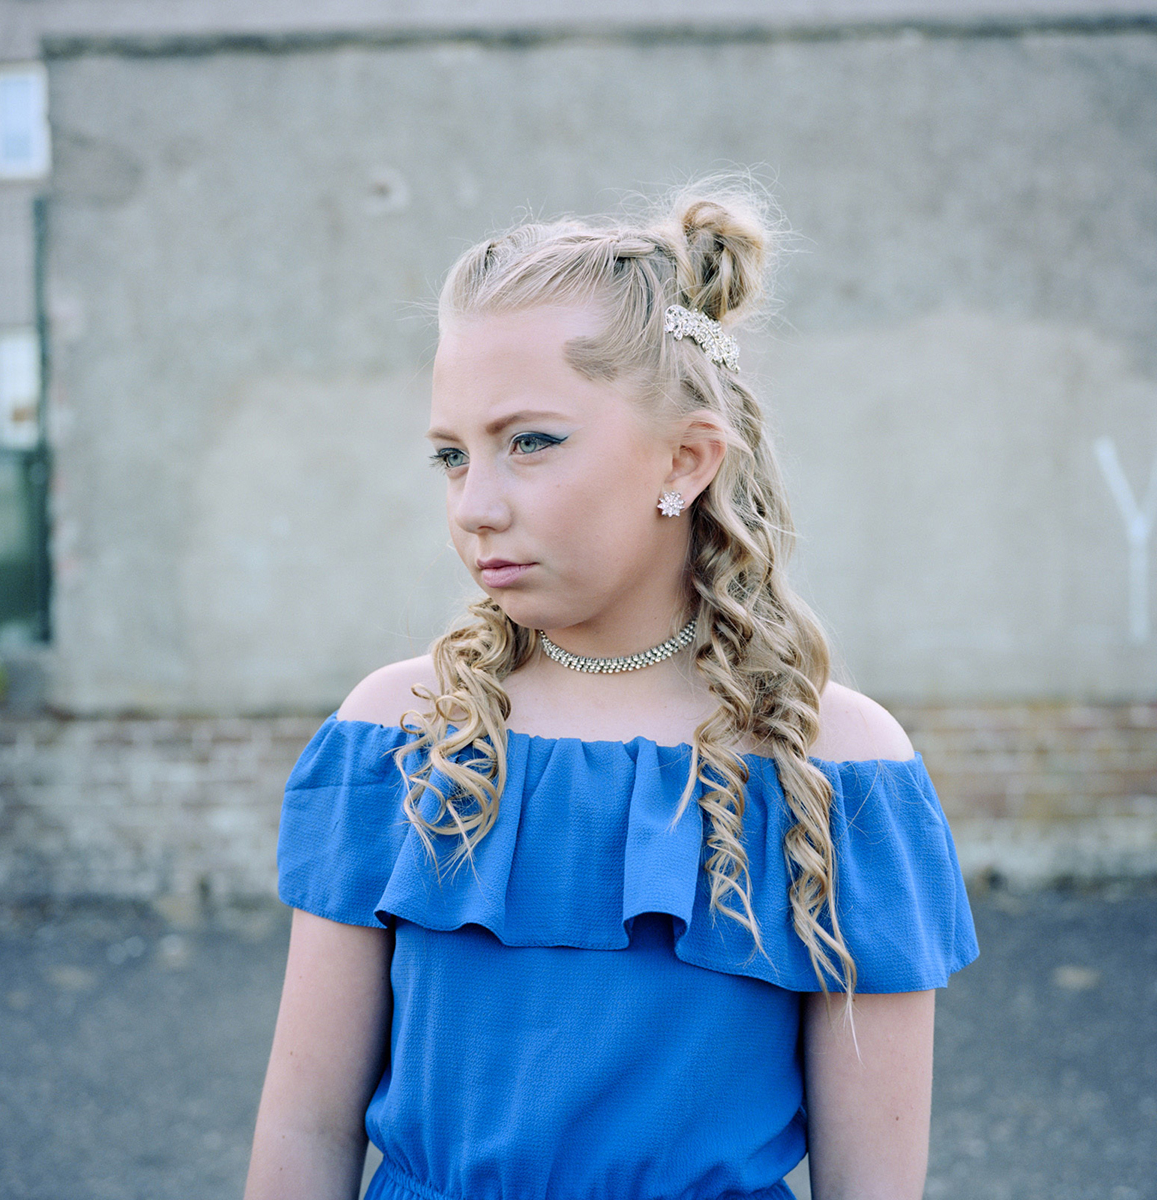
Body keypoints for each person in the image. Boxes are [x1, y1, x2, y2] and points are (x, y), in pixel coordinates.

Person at [243, 181, 978, 1200]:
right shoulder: (395, 734)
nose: (476, 507)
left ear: (685, 459)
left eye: (531, 442)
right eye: (451, 456)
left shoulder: (841, 769)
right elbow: (301, 1132)